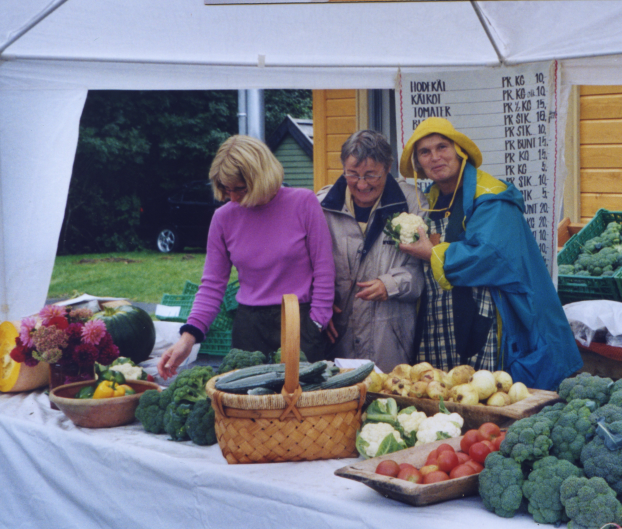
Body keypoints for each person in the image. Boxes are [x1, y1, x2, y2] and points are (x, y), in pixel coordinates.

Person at [398, 117, 583, 391]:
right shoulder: (428, 201)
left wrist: (431, 253)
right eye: (425, 152)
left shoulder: (494, 197)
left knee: (489, 399)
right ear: (418, 163)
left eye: (442, 147)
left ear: (459, 151)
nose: (435, 157)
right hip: (441, 323)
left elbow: (489, 256)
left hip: (492, 322)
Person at [157, 135, 334, 378]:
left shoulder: (303, 203)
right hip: (249, 327)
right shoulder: (223, 219)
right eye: (226, 190)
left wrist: (316, 323)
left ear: (261, 177)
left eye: (239, 189)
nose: (232, 198)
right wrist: (188, 338)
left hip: (300, 320)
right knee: (250, 407)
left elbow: (324, 270)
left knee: (306, 404)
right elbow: (212, 285)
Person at [317, 130, 428, 372]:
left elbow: (423, 274)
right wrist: (320, 303)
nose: (361, 184)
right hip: (337, 338)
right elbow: (303, 268)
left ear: (388, 168)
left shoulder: (413, 203)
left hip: (391, 341)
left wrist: (389, 284)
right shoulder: (321, 206)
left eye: (371, 175)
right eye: (352, 174)